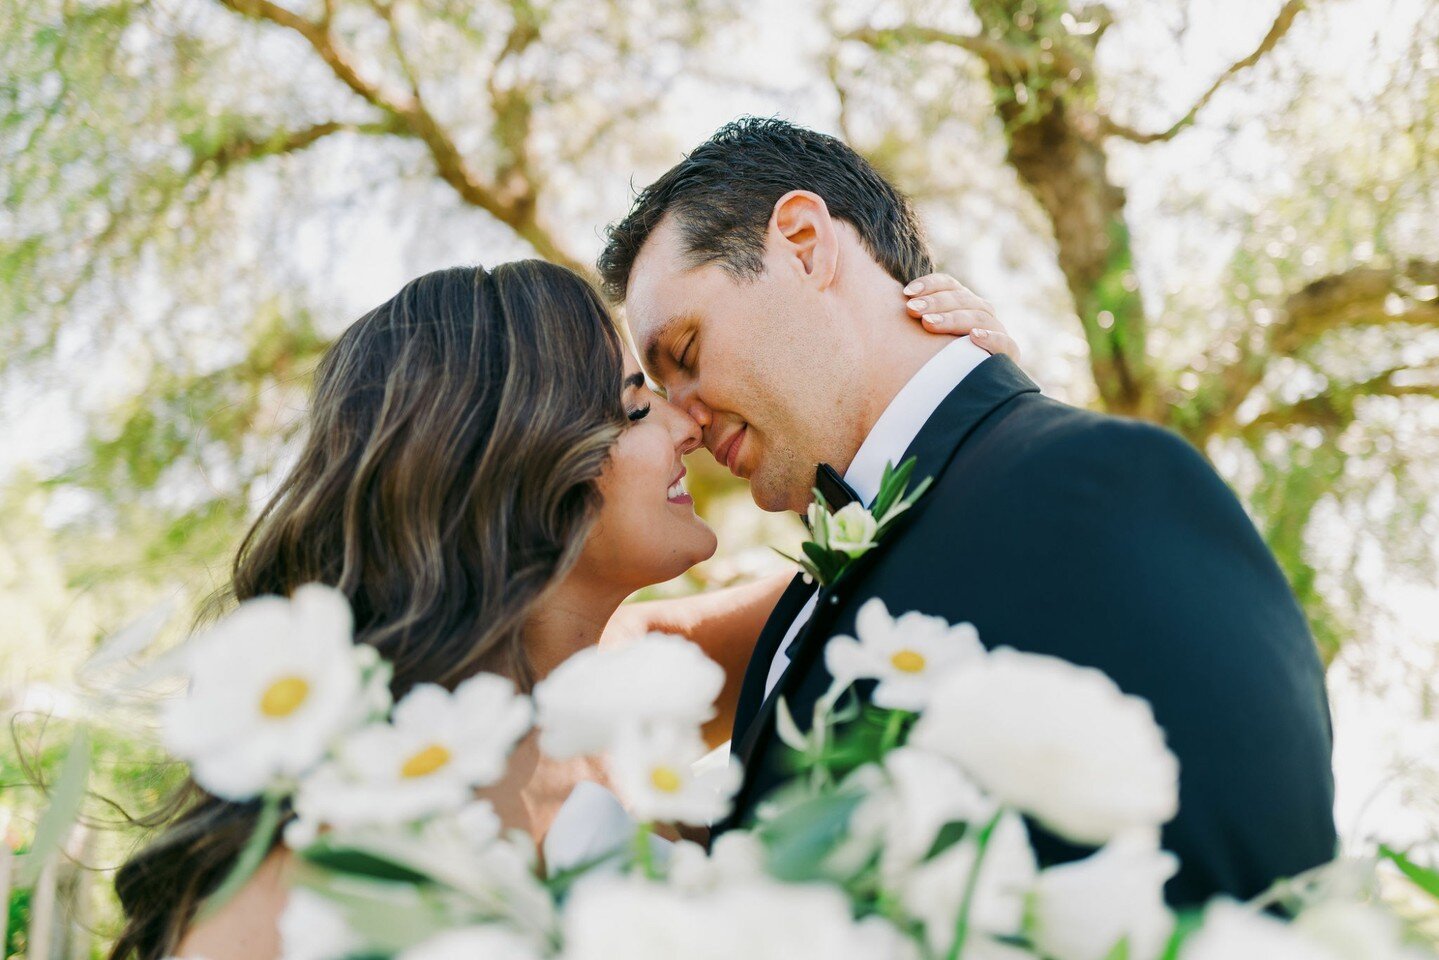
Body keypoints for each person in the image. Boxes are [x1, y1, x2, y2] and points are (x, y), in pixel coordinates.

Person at [110, 259, 1016, 959]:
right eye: (633, 408)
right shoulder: (334, 822)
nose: (685, 424)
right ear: (516, 462)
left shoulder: (643, 678)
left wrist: (977, 407)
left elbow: (901, 559)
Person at [597, 116, 1338, 905]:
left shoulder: (1100, 486)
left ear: (805, 243)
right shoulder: (808, 604)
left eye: (684, 353)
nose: (683, 419)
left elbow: (1248, 883)